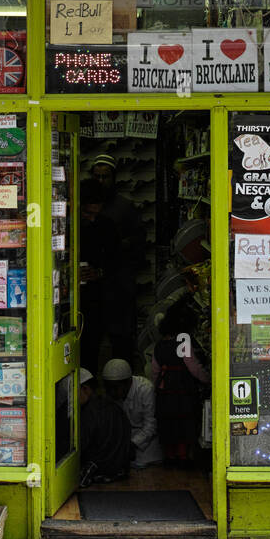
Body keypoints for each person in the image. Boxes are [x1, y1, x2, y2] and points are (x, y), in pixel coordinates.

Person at [79, 177, 138, 368]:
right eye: (88, 213)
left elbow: (117, 259)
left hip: (104, 294)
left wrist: (100, 272)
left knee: (101, 340)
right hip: (80, 296)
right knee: (84, 343)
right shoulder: (73, 226)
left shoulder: (106, 225)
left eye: (97, 212)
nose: (92, 218)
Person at [151, 299, 211, 468]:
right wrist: (208, 379)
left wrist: (156, 386)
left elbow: (154, 370)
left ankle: (169, 457)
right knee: (184, 425)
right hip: (183, 392)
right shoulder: (183, 342)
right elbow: (193, 367)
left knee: (168, 425)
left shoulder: (160, 345)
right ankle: (183, 457)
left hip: (165, 392)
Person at [102, 358, 163, 469]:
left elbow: (151, 426)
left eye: (115, 388)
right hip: (127, 438)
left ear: (128, 382)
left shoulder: (145, 390)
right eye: (109, 388)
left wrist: (130, 445)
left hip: (147, 441)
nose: (112, 392)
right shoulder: (112, 395)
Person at [78, 367, 132, 486]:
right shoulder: (111, 406)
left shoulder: (90, 411)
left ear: (85, 389)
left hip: (102, 464)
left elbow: (82, 443)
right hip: (119, 465)